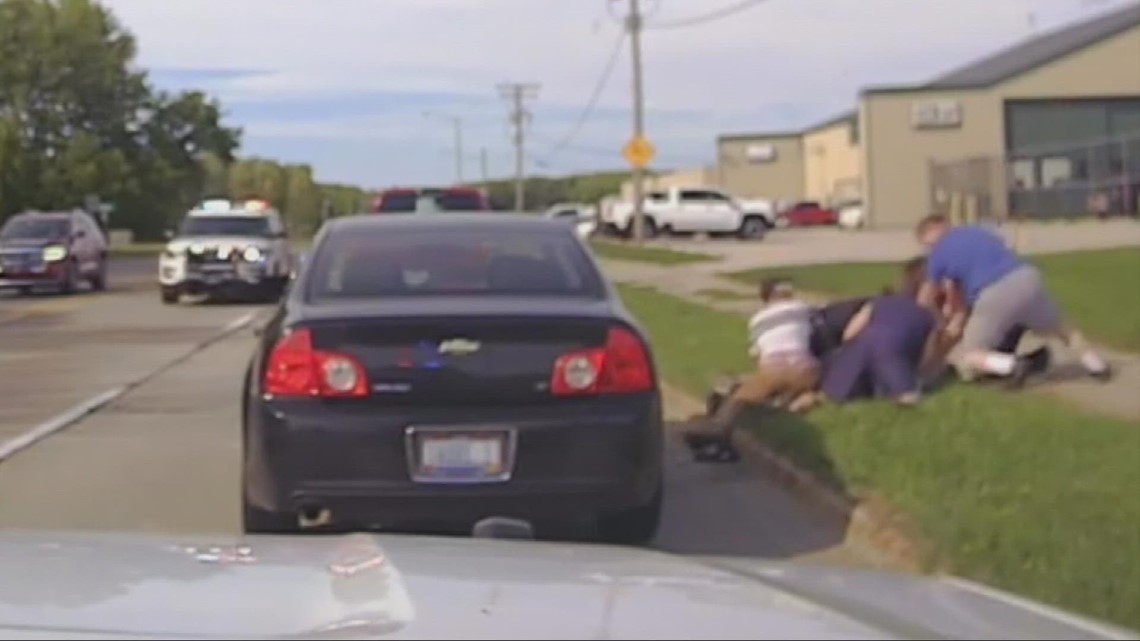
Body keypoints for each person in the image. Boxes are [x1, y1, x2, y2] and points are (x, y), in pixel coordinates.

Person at [915, 214, 1111, 387]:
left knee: (971, 354)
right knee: (1062, 328)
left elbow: (927, 298)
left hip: (994, 292)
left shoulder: (938, 254)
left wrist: (935, 321)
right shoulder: (979, 231)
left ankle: (1014, 365)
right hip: (1027, 277)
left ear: (931, 234)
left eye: (927, 244)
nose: (928, 249)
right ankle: (1097, 366)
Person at [684, 277, 820, 463]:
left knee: (736, 396)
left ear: (765, 298)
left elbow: (760, 358)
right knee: (775, 382)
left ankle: (719, 439)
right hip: (808, 371)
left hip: (775, 369)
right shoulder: (804, 309)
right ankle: (784, 400)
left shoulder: (757, 321)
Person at [815, 257, 947, 405]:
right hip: (892, 353)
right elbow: (928, 359)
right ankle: (894, 391)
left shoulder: (880, 301)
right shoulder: (930, 318)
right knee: (907, 394)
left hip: (862, 347)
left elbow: (850, 334)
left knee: (830, 394)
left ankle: (807, 400)